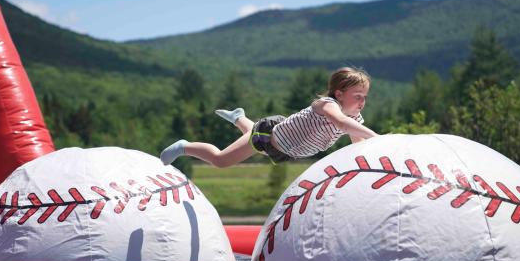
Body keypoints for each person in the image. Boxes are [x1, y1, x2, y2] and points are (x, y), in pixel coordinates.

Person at [160, 67, 379, 167]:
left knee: (250, 135)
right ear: (339, 94)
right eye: (357, 96)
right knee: (221, 160)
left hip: (284, 150)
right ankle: (183, 146)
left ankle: (238, 117)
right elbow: (342, 123)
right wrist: (378, 137)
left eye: (365, 97)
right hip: (269, 134)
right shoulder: (327, 105)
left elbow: (356, 149)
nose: (362, 102)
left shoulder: (356, 121)